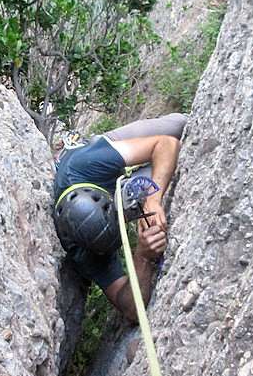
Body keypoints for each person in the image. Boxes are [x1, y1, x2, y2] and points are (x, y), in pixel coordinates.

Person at [53, 115, 187, 323]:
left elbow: (166, 144)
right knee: (162, 173)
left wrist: (153, 200)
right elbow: (132, 311)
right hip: (107, 191)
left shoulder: (84, 164)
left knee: (179, 125)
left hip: (101, 154)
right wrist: (143, 256)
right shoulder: (82, 248)